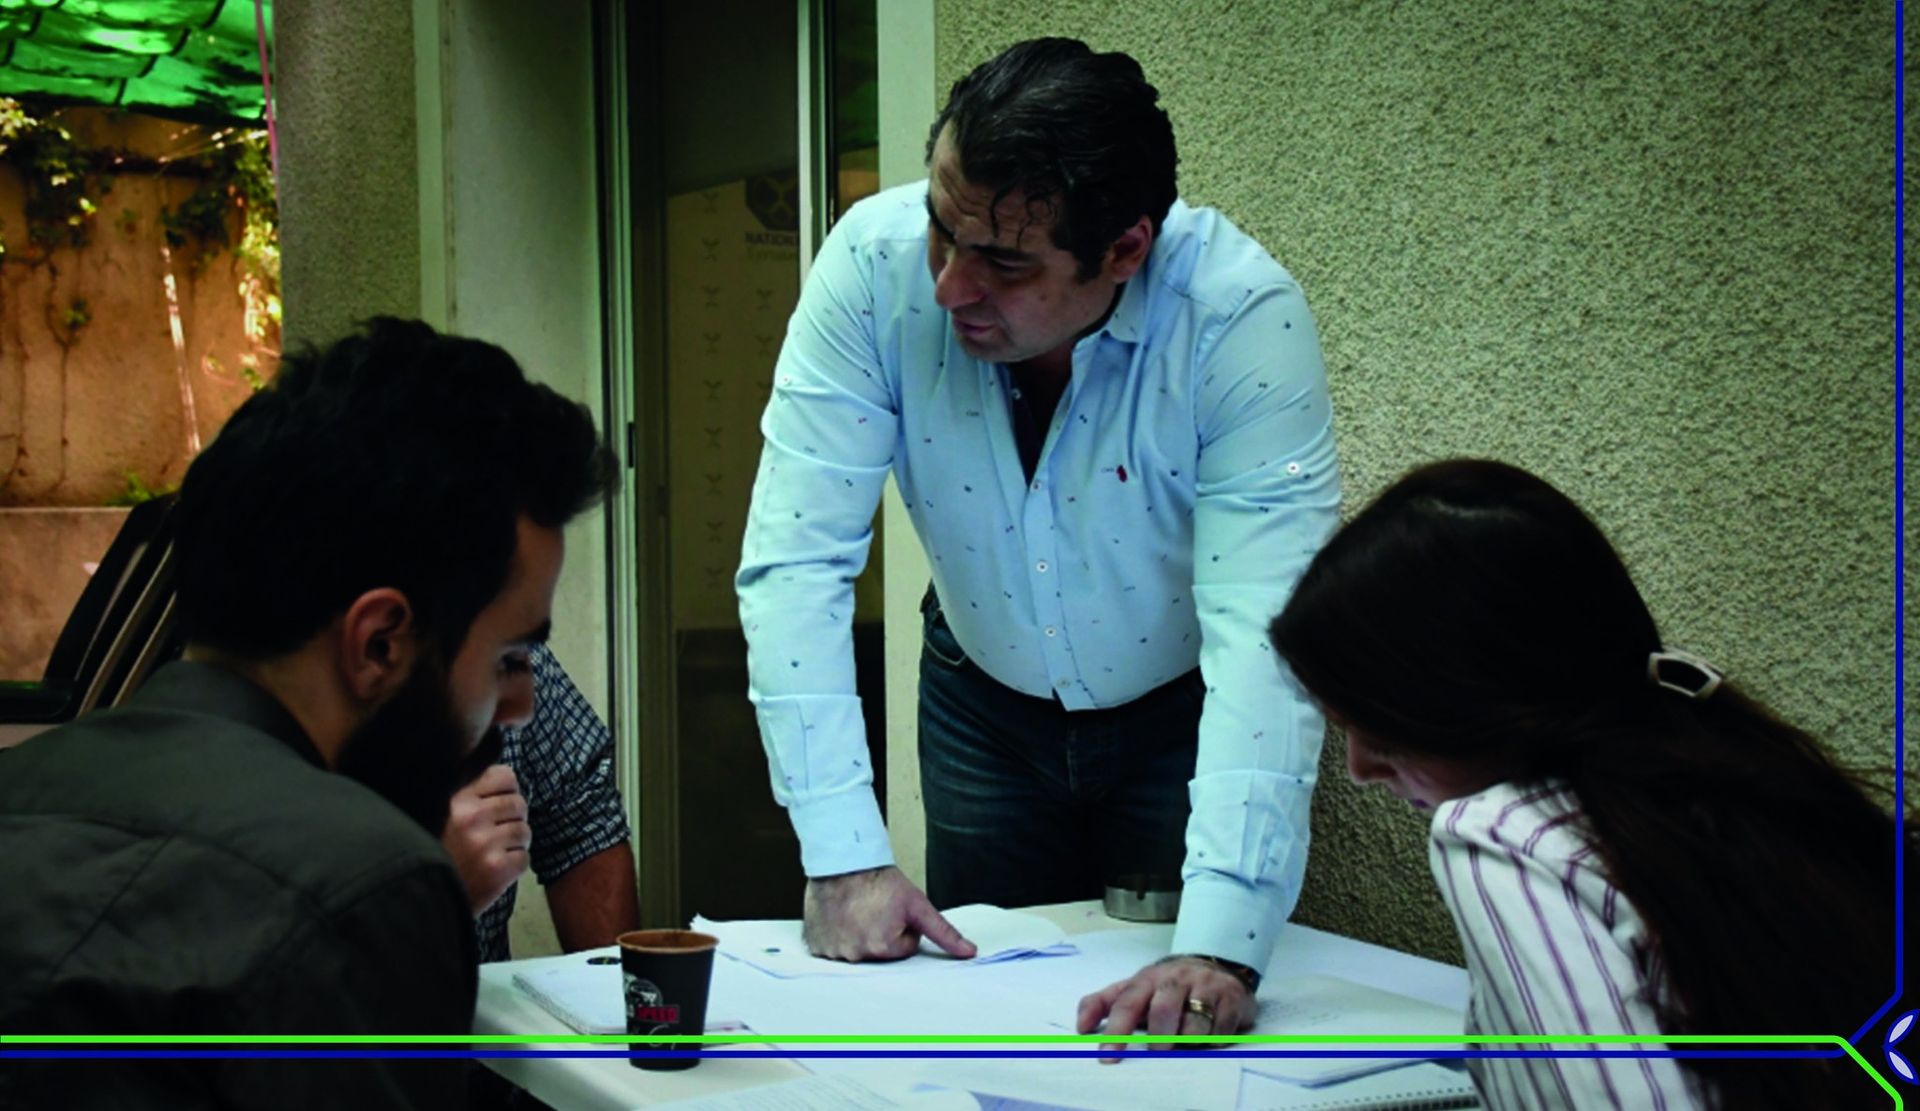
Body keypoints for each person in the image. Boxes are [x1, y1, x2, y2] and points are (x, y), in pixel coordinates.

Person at [737, 37, 1340, 1046]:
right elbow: (797, 560)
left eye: (1005, 264)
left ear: (1125, 250)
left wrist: (1224, 944)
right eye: (942, 234)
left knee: (1175, 1035)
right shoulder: (872, 265)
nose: (949, 287)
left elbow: (1268, 635)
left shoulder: (1239, 319)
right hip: (981, 704)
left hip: (1184, 718)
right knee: (983, 1027)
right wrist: (842, 854)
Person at [0, 318, 613, 1109]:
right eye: (509, 659)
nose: (523, 706)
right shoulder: (363, 884)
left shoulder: (19, 792)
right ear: (379, 642)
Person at [1269, 458, 1909, 1109]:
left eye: (1381, 732)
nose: (1359, 769)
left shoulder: (1503, 836)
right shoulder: (1720, 780)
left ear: (1475, 697)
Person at [443, 643, 640, 963]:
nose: (521, 710)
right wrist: (421, 884)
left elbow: (582, 821)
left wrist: (615, 988)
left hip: (482, 989)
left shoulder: (504, 642)